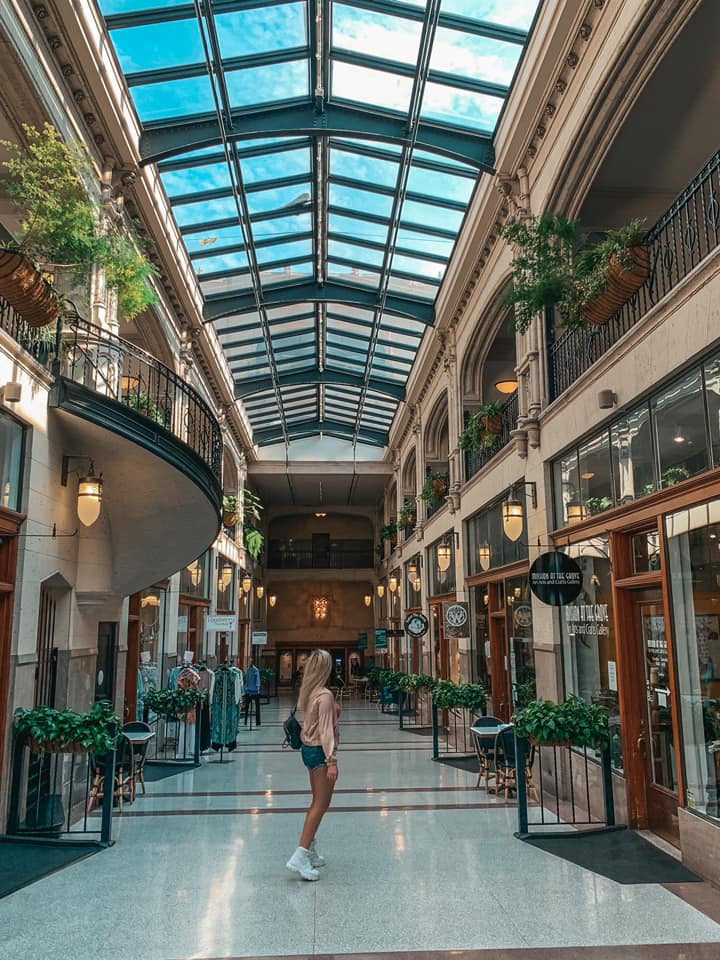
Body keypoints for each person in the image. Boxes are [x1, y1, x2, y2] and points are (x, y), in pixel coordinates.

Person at [286, 649, 340, 881]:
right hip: (319, 752)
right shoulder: (325, 695)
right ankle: (300, 854)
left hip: (308, 751)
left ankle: (311, 848)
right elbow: (326, 732)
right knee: (321, 804)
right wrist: (332, 761)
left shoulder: (311, 693)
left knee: (315, 802)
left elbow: (318, 721)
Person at [244, 659, 261, 726]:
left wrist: (257, 688)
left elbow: (257, 680)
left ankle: (258, 722)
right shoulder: (248, 670)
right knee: (246, 707)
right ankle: (245, 721)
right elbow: (247, 680)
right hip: (248, 690)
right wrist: (246, 688)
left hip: (255, 691)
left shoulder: (256, 670)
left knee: (257, 707)